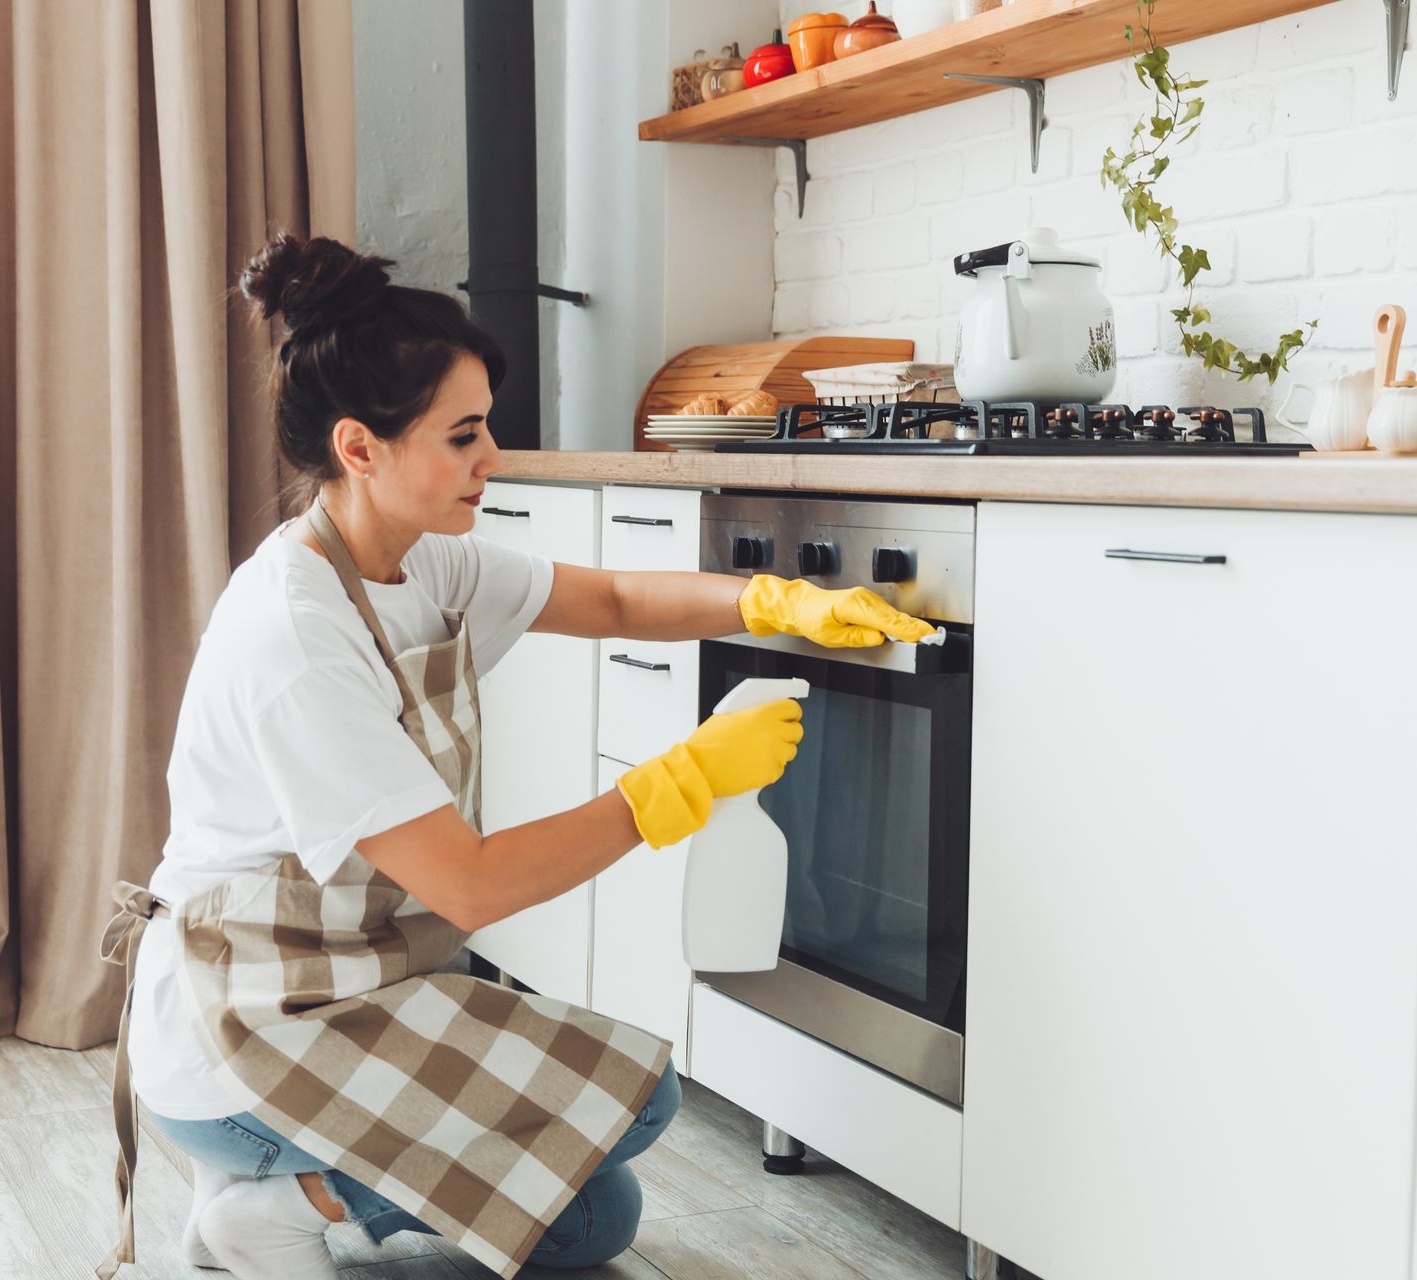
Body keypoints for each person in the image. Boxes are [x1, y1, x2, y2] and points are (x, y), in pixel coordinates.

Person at [95, 231, 934, 1280]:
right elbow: (472, 884)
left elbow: (618, 597)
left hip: (355, 979)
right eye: (465, 435)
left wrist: (776, 601)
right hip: (246, 1028)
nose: (493, 456)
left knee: (598, 1213)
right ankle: (272, 1203)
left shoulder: (419, 563)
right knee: (648, 1101)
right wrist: (680, 779)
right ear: (361, 447)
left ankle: (295, 1191)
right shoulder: (296, 633)